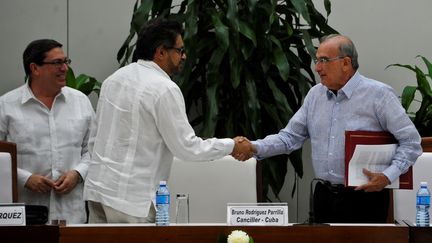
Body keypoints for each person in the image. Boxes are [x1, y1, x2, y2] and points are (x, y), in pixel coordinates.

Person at [235, 34, 422, 223]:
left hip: (364, 199)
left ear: (346, 63)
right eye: (317, 61)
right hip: (323, 196)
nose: (317, 68)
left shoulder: (379, 95)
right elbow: (289, 137)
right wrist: (254, 147)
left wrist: (387, 176)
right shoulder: (315, 95)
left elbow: (411, 143)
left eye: (324, 60)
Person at [83, 18, 252, 223]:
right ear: (161, 52)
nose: (184, 56)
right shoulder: (164, 88)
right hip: (132, 202)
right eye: (179, 50)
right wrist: (231, 144)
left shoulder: (113, 80)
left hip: (98, 192)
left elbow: (95, 138)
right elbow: (187, 147)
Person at [0, 39, 95, 223]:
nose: (65, 68)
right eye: (57, 63)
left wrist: (78, 174)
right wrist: (24, 179)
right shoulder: (6, 106)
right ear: (35, 68)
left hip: (71, 217)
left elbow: (94, 150)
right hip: (23, 218)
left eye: (66, 61)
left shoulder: (80, 102)